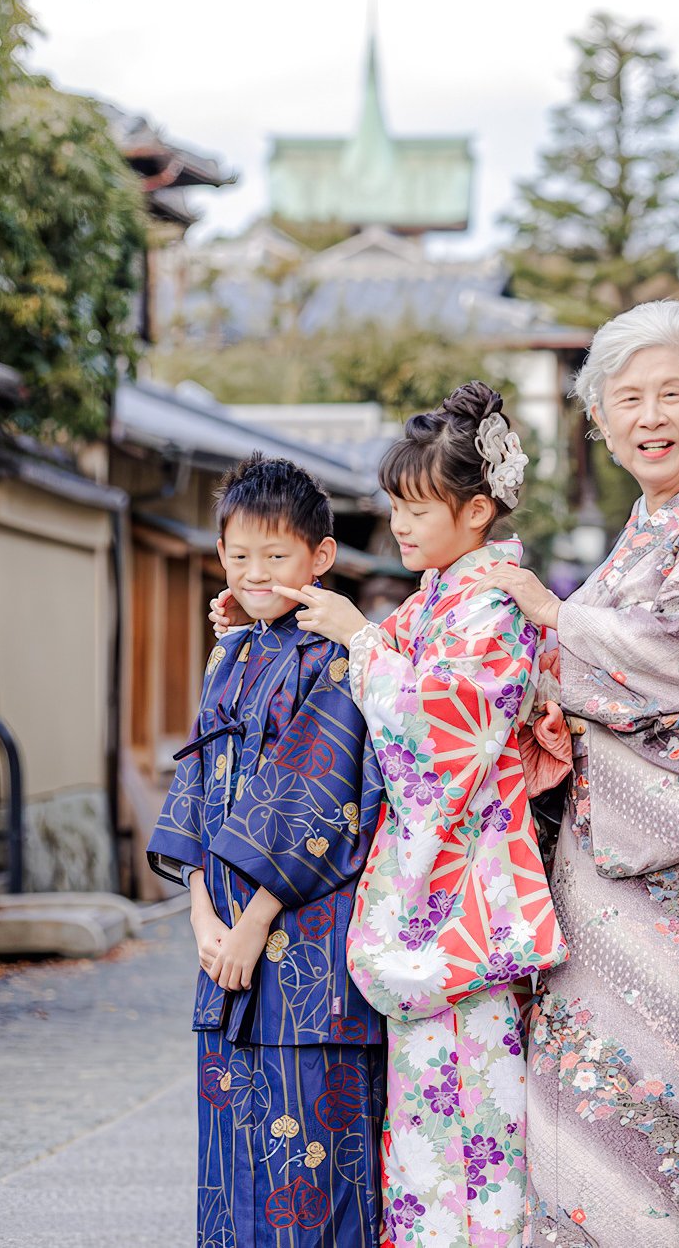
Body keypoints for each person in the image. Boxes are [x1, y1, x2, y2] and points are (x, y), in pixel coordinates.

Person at [476, 300, 679, 1248]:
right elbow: (593, 674)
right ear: (602, 422)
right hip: (605, 864)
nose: (650, 416)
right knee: (585, 1103)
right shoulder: (639, 532)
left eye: (673, 394)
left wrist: (556, 622)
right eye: (628, 399)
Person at [261, 383, 551, 1248]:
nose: (400, 523)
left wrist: (360, 640)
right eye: (394, 505)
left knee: (472, 1113)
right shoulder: (436, 601)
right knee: (429, 1117)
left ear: (476, 509)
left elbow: (446, 735)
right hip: (436, 882)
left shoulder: (495, 602)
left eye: (417, 507)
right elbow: (389, 666)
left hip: (468, 885)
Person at [151, 455, 385, 1248]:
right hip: (224, 951)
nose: (255, 573)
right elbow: (195, 786)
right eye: (239, 556)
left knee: (314, 1175)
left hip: (307, 958)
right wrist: (199, 915)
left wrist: (252, 921)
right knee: (231, 1172)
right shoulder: (232, 655)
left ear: (320, 557)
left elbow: (321, 801)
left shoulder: (339, 657)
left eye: (275, 556)